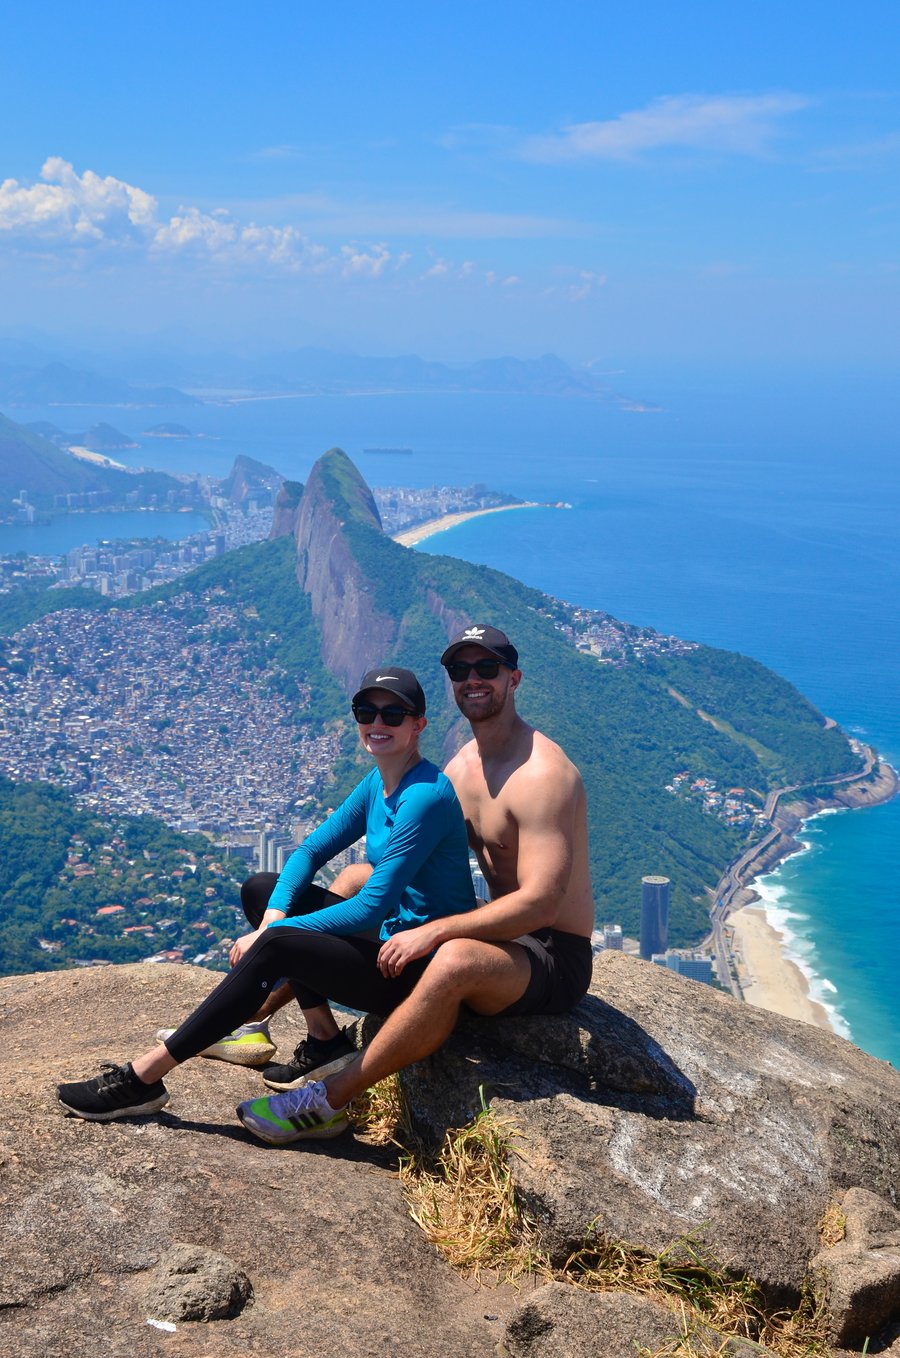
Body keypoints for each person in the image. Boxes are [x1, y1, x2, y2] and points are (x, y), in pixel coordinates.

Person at [57, 666, 477, 1131]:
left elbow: (371, 906)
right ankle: (324, 1040)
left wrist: (271, 935)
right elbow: (311, 850)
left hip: (414, 969)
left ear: (418, 725)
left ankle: (143, 1078)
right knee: (262, 889)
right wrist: (271, 918)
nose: (377, 723)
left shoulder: (423, 796)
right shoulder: (379, 781)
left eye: (393, 714)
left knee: (281, 942)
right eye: (366, 711)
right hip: (386, 942)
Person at [234, 623, 595, 1147]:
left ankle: (329, 1100)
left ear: (514, 678)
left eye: (487, 669)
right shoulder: (462, 767)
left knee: (454, 960)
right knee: (358, 878)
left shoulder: (543, 775)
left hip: (550, 956)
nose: (473, 680)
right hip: (500, 929)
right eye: (460, 670)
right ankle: (264, 1019)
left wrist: (435, 933)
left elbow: (541, 904)